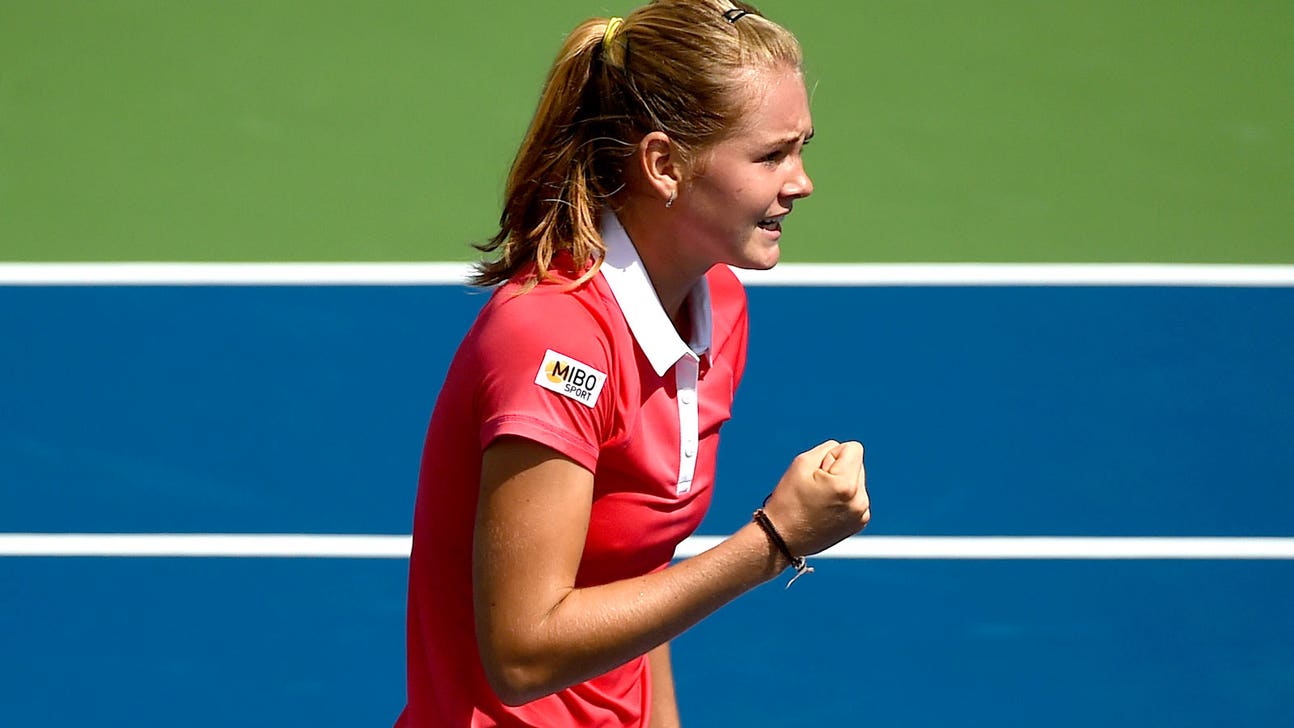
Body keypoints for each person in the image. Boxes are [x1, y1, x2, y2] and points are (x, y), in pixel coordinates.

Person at [395, 1, 870, 725]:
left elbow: (640, 568)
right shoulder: (554, 340)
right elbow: (521, 658)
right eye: (771, 156)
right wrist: (772, 542)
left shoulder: (720, 307)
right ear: (664, 165)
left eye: (802, 147)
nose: (801, 182)